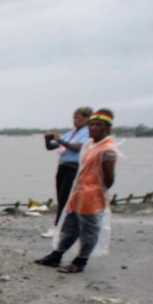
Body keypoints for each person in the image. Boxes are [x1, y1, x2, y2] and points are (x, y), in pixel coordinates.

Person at [34, 109, 118, 274]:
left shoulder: (107, 149)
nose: (93, 128)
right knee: (70, 225)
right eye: (92, 124)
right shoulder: (90, 144)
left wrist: (97, 192)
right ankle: (56, 255)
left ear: (107, 129)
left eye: (98, 125)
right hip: (79, 189)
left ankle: (80, 261)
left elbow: (109, 178)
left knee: (89, 229)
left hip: (92, 193)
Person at [42, 106, 94, 237]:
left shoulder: (88, 133)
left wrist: (60, 140)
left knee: (66, 197)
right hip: (63, 166)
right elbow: (52, 147)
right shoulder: (71, 133)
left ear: (87, 119)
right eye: (74, 117)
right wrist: (48, 139)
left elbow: (77, 148)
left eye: (78, 118)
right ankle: (64, 225)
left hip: (75, 167)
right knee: (61, 196)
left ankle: (60, 228)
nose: (75, 120)